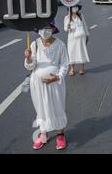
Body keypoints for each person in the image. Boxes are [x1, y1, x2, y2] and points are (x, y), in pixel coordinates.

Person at [24, 20, 69, 150]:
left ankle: (60, 135)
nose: (45, 30)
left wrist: (58, 77)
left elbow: (65, 64)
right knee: (41, 108)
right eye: (42, 28)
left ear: (53, 28)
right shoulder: (34, 45)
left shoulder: (60, 45)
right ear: (38, 30)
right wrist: (28, 58)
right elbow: (30, 66)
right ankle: (44, 134)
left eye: (48, 27)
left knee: (57, 107)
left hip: (55, 83)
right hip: (37, 84)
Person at [64, 5, 90, 76]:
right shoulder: (67, 17)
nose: (75, 8)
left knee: (82, 51)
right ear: (70, 8)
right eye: (73, 7)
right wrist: (68, 27)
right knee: (71, 52)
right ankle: (72, 69)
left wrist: (87, 34)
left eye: (76, 7)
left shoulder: (81, 15)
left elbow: (84, 25)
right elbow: (65, 29)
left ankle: (82, 68)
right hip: (72, 38)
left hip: (82, 37)